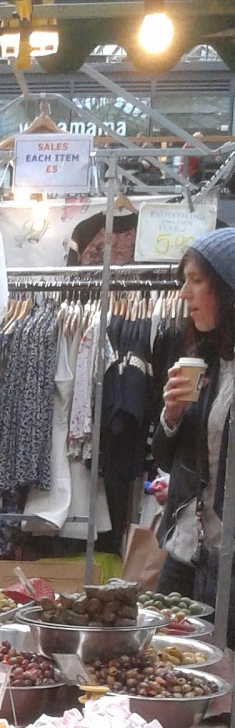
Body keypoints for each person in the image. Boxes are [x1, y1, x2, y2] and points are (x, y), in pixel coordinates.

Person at [152, 228, 235, 635]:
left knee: (222, 663)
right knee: (162, 650)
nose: (184, 293)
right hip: (187, 545)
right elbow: (166, 458)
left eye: (196, 280)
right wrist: (171, 416)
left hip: (228, 557)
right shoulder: (205, 361)